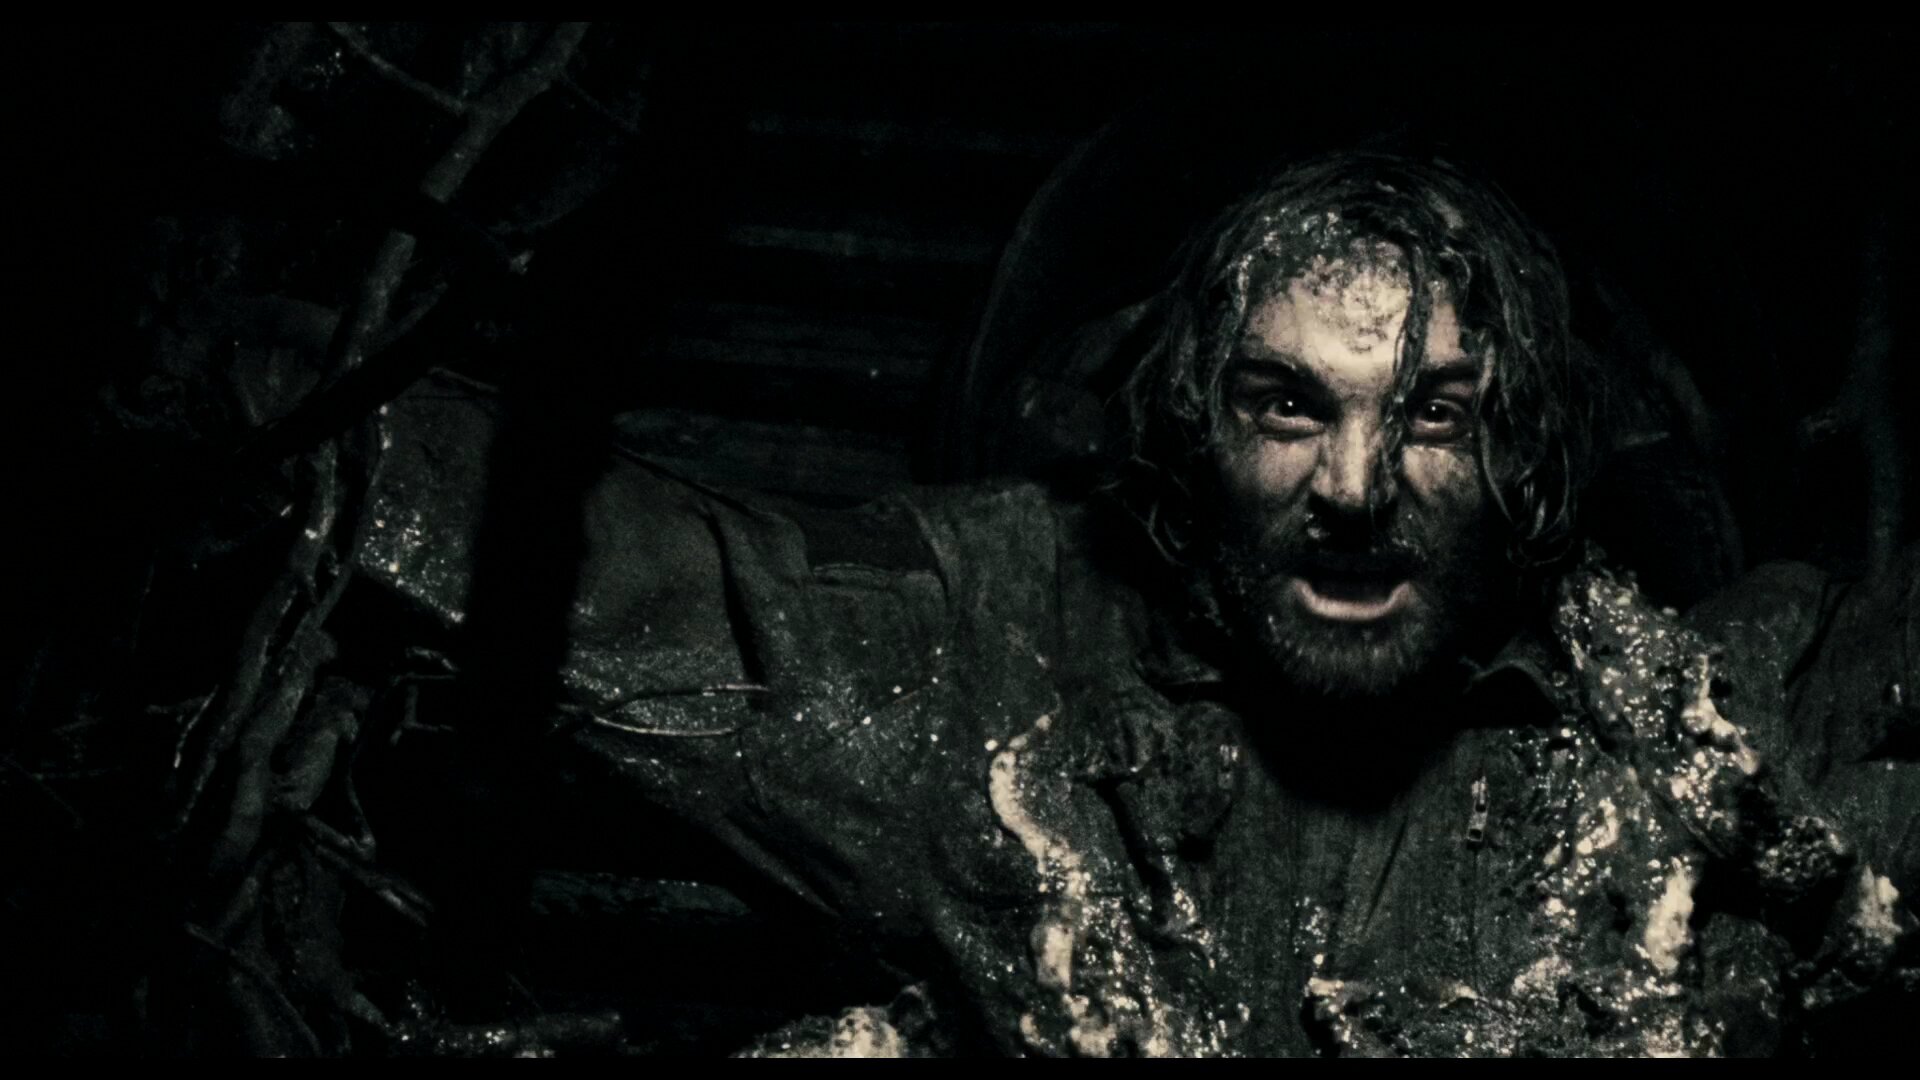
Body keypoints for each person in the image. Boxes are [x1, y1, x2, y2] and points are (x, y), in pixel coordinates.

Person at [357, 151, 1916, 1056]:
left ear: (1528, 457)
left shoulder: (1712, 716)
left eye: (1437, 416)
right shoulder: (999, 643)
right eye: (1287, 404)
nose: (1356, 485)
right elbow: (619, 566)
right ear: (1194, 427)